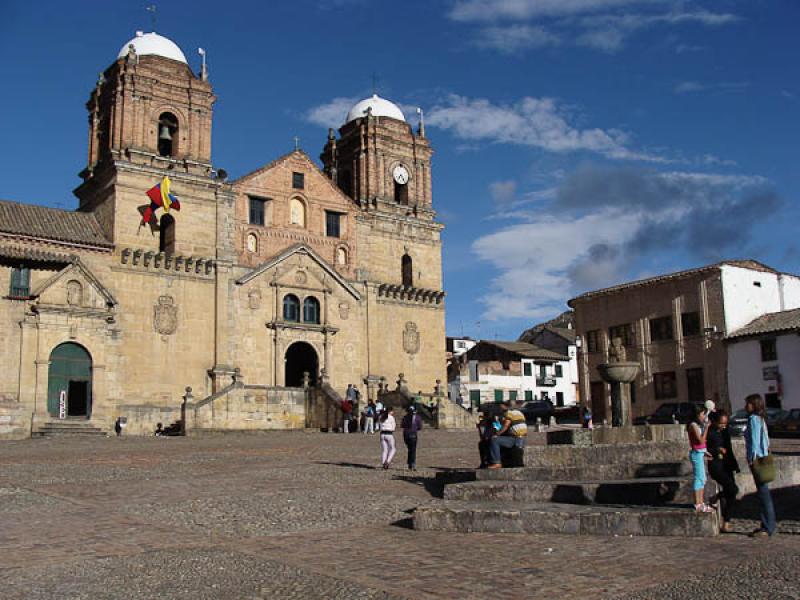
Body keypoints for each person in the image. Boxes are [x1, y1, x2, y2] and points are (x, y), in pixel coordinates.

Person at [745, 394, 777, 537]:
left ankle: (767, 526)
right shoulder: (761, 419)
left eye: (748, 403)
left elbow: (755, 441)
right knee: (765, 493)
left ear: (754, 404)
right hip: (764, 457)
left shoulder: (753, 419)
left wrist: (752, 459)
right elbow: (766, 440)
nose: (746, 406)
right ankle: (769, 525)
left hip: (758, 460)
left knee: (763, 494)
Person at [706, 410, 740, 532]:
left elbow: (729, 448)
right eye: (721, 423)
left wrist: (734, 464)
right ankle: (716, 498)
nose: (724, 426)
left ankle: (726, 521)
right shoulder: (709, 432)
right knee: (732, 489)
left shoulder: (725, 432)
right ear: (715, 422)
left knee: (731, 492)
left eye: (725, 423)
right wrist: (717, 450)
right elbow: (704, 448)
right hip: (716, 465)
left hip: (727, 464)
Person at [687, 404, 713, 512]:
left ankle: (701, 502)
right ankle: (698, 503)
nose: (704, 416)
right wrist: (707, 428)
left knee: (703, 478)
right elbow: (700, 440)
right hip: (696, 454)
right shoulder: (693, 425)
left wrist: (705, 451)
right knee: (699, 478)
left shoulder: (696, 425)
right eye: (702, 414)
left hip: (700, 453)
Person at [488, 401, 528, 469]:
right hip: (523, 439)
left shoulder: (509, 413)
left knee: (494, 440)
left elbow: (505, 426)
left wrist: (497, 434)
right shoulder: (519, 413)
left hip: (516, 439)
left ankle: (497, 462)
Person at [401, 405, 423, 471]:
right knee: (413, 450)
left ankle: (410, 463)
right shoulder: (417, 417)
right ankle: (412, 463)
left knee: (410, 449)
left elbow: (402, 425)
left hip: (406, 435)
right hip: (413, 434)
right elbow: (420, 427)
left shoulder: (405, 417)